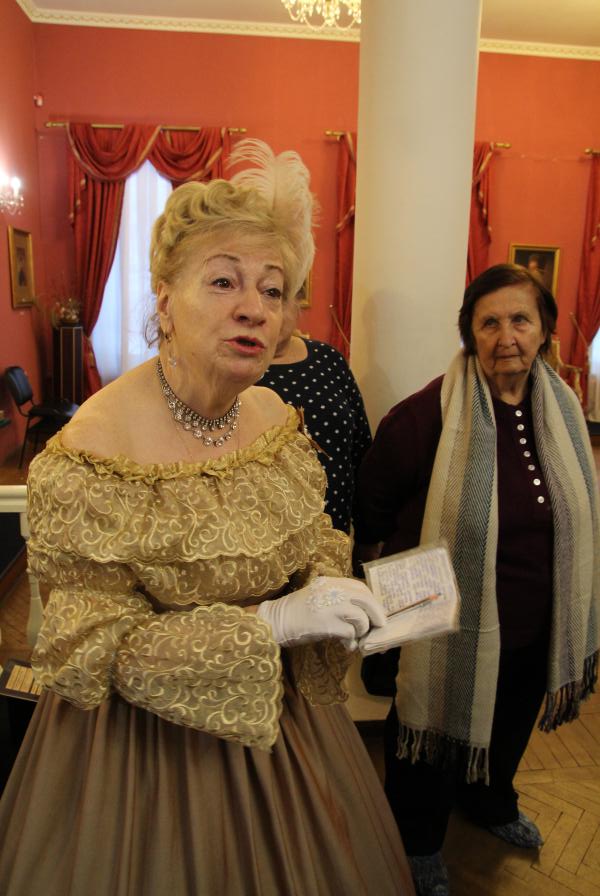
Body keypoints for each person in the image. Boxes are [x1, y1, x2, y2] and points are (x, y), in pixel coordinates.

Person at [0, 141, 415, 896]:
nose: (254, 307)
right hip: (141, 760)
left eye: (272, 288)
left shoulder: (275, 417)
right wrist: (272, 623)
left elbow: (313, 537)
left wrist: (329, 590)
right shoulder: (93, 453)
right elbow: (95, 647)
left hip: (288, 739)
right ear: (164, 298)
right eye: (223, 280)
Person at [353, 263, 600, 896]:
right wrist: (385, 584)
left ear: (544, 329)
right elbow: (373, 503)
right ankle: (416, 841)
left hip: (534, 613)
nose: (506, 337)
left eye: (520, 319)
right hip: (437, 612)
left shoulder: (563, 408)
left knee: (511, 717)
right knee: (427, 734)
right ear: (469, 334)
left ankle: (490, 801)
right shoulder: (426, 414)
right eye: (489, 323)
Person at [261, 284, 372, 533]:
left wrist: (369, 533)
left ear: (297, 301)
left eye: (276, 295)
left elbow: (362, 450)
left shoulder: (328, 359)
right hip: (266, 536)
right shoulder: (233, 370)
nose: (266, 311)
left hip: (335, 530)